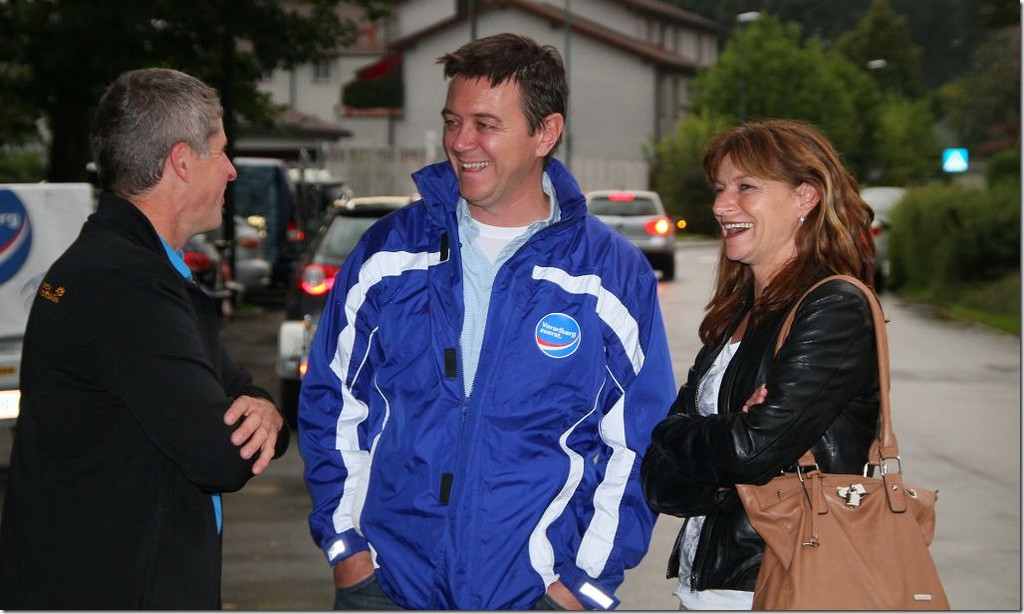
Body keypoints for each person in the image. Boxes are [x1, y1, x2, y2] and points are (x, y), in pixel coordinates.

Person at [298, 33, 676, 610]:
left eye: (485, 125)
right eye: (453, 122)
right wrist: (347, 551)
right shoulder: (390, 253)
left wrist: (581, 589)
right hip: (388, 588)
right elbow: (333, 403)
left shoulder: (609, 275)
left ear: (545, 133)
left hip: (535, 596)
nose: (460, 142)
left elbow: (637, 445)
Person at [0, 67, 289, 609]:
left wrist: (266, 410)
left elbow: (237, 386)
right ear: (182, 161)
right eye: (221, 152)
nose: (230, 171)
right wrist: (260, 417)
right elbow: (222, 455)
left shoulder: (129, 266)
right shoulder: (127, 287)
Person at [640, 119, 880, 610]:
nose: (720, 205)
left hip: (781, 585)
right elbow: (659, 479)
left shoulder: (833, 307)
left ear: (805, 197)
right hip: (704, 584)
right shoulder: (737, 313)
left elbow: (750, 451)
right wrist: (721, 443)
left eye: (745, 187)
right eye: (720, 188)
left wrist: (698, 441)